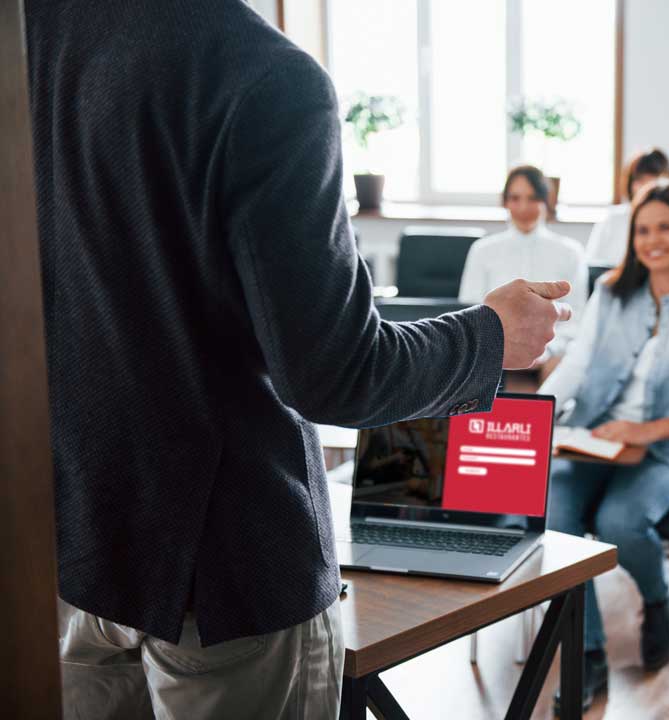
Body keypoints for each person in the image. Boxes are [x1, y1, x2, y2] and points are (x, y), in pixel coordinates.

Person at [27, 3, 571, 717]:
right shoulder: (264, 77)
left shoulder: (36, 34)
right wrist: (489, 337)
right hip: (227, 574)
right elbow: (337, 372)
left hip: (75, 544)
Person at [541, 181, 669, 711]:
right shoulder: (612, 295)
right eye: (643, 230)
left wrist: (651, 431)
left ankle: (657, 598)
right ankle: (586, 654)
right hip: (593, 437)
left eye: (666, 227)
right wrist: (534, 416)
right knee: (554, 516)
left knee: (618, 522)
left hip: (667, 451)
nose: (653, 239)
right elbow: (579, 364)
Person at [459, 165, 588, 380]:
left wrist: (546, 351)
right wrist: (501, 349)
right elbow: (469, 310)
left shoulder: (570, 253)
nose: (523, 207)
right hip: (494, 352)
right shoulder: (483, 250)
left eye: (532, 198)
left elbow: (577, 319)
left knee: (562, 369)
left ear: (546, 200)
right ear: (505, 201)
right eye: (515, 198)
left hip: (550, 353)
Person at [584, 148, 669, 267]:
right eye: (640, 180)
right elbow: (592, 264)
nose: (646, 186)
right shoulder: (613, 219)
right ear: (630, 183)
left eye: (653, 179)